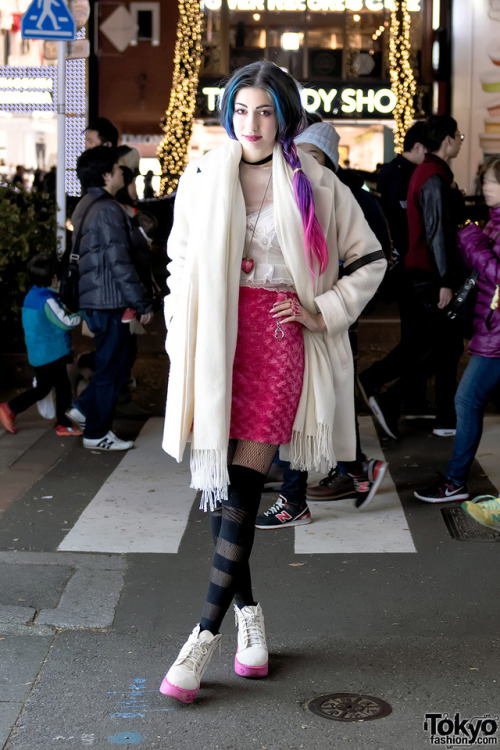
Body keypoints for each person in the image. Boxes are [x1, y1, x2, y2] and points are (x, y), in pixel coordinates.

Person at [159, 61, 386, 704]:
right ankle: (250, 621)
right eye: (240, 110)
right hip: (216, 344)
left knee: (247, 483)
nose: (250, 124)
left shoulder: (314, 179)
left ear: (284, 115)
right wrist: (182, 328)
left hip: (280, 342)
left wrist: (322, 309)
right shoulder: (204, 174)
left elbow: (369, 258)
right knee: (222, 484)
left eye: (264, 111)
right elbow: (179, 259)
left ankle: (202, 637)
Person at [255, 121, 389, 527]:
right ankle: (353, 470)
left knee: (304, 410)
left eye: (313, 157)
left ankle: (300, 494)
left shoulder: (337, 193)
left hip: (322, 321)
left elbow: (372, 259)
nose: (302, 164)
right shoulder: (280, 182)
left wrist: (325, 311)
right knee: (308, 408)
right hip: (294, 320)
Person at [365, 115, 466, 441]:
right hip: (428, 274)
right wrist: (446, 280)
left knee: (436, 344)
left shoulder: (428, 173)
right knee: (444, 345)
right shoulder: (433, 176)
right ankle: (391, 398)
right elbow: (437, 233)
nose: (461, 141)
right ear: (447, 140)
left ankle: (435, 414)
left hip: (421, 272)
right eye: (459, 136)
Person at [414, 154, 500, 503]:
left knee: (466, 399)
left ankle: (455, 482)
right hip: (490, 327)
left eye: (491, 181)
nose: (485, 187)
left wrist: (473, 242)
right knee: (469, 400)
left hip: (497, 333)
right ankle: (455, 480)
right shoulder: (493, 219)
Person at [65, 147, 153, 451]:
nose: (121, 173)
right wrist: (141, 302)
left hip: (94, 298)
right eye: (116, 168)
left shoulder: (86, 204)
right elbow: (120, 261)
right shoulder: (108, 210)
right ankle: (97, 432)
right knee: (111, 366)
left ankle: (85, 409)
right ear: (105, 175)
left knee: (111, 362)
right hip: (109, 299)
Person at [358, 122, 433, 422]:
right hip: (405, 271)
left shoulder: (397, 173)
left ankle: (412, 397)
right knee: (420, 338)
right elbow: (402, 226)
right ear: (418, 148)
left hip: (402, 269)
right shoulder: (399, 176)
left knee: (418, 337)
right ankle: (374, 378)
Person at [0, 254, 82, 437]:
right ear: (53, 278)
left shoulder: (32, 296)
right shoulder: (48, 300)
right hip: (52, 353)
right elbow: (65, 322)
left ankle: (11, 408)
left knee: (46, 388)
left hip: (39, 353)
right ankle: (62, 423)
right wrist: (82, 315)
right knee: (61, 388)